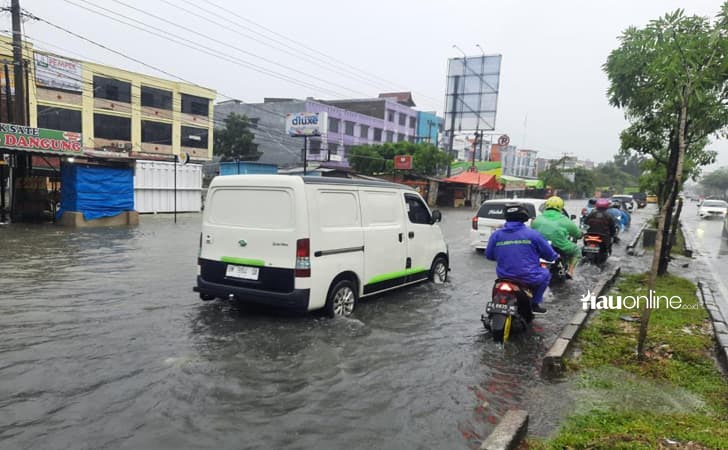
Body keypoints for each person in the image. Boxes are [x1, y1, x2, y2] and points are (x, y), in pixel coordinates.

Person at [485, 203, 559, 314]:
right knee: (546, 274)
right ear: (524, 217)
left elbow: (489, 255)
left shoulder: (496, 235)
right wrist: (556, 257)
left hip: (504, 276)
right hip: (529, 277)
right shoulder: (533, 235)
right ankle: (534, 303)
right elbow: (549, 254)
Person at [532, 196, 582, 278]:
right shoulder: (565, 220)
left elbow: (532, 232)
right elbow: (577, 234)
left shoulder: (537, 219)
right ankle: (570, 271)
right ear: (561, 207)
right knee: (576, 251)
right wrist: (580, 234)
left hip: (540, 247)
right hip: (559, 247)